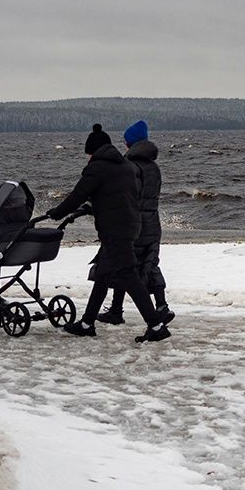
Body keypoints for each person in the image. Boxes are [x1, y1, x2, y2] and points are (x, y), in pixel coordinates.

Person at [44, 123, 170, 343]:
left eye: (89, 153)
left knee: (129, 276)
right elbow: (120, 196)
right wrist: (95, 207)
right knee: (102, 275)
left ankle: (156, 325)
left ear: (94, 151)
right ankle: (87, 323)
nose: (88, 157)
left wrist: (55, 213)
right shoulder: (123, 166)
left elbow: (78, 195)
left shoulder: (98, 168)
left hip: (116, 231)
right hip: (132, 226)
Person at [98, 119, 173, 326]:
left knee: (124, 263)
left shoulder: (130, 166)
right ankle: (161, 305)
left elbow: (128, 196)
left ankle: (116, 310)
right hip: (153, 222)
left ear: (130, 143)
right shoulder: (154, 167)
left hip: (134, 222)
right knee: (150, 261)